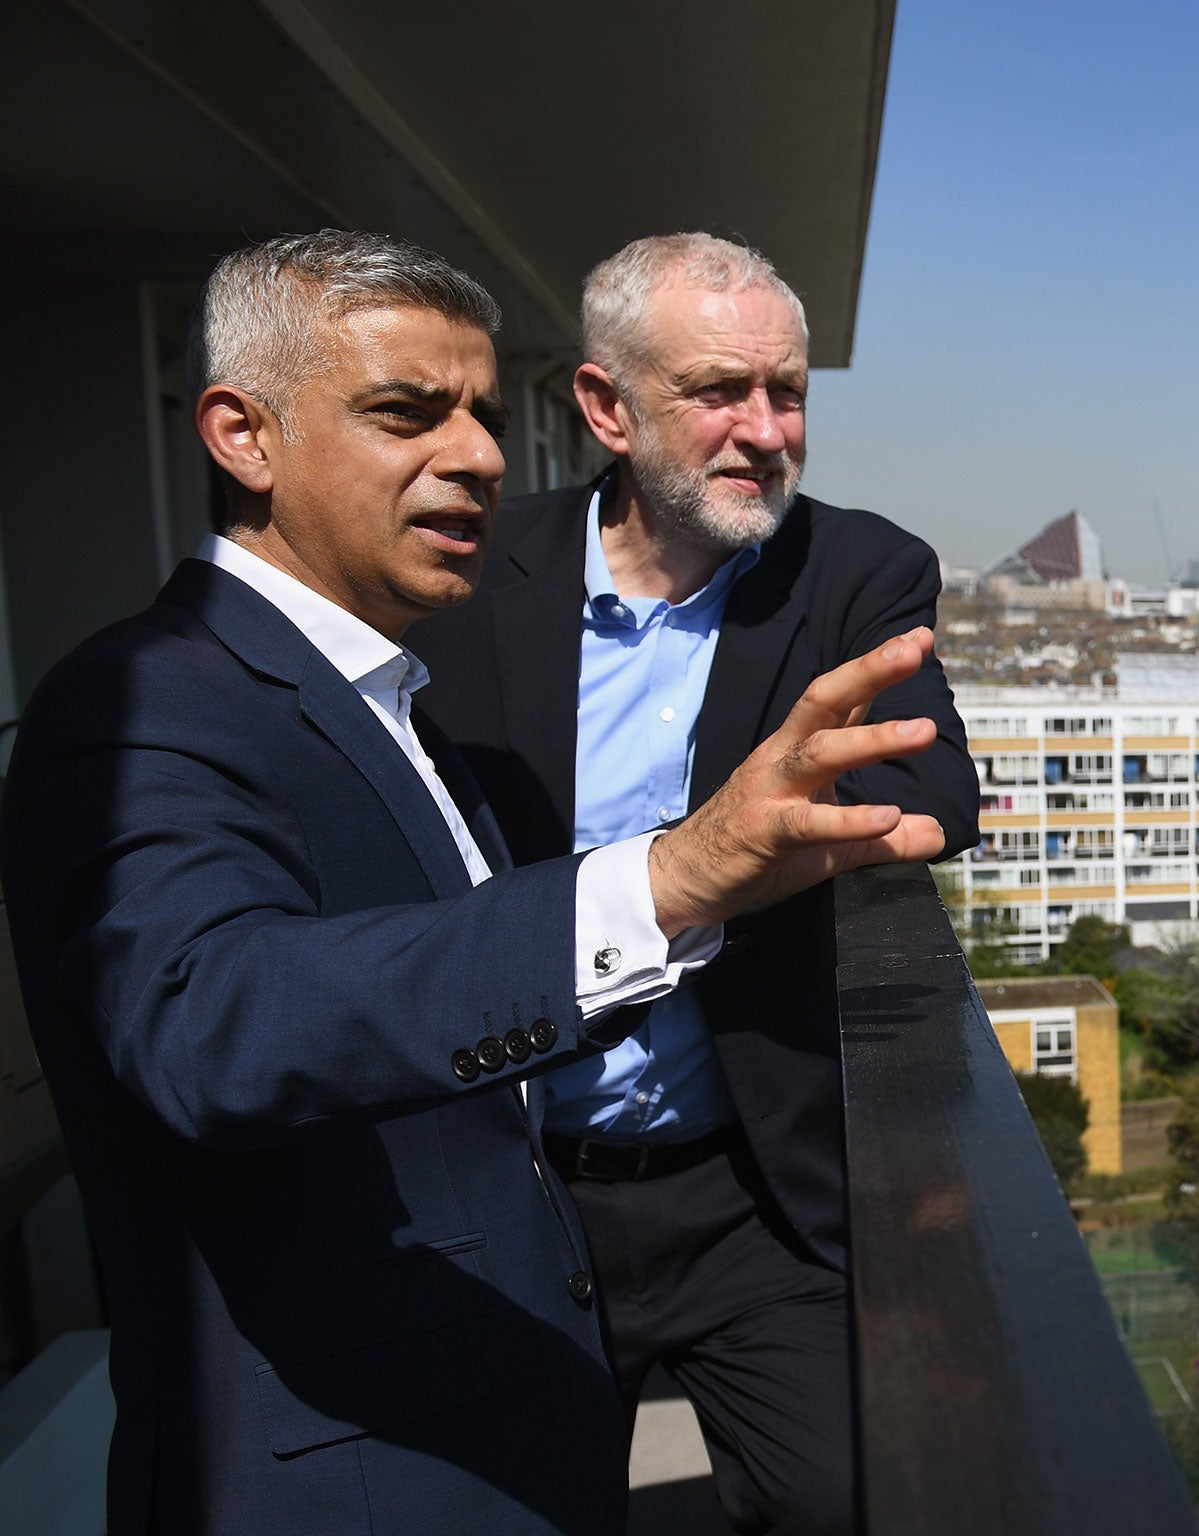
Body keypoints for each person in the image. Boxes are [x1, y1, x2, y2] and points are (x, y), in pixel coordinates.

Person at [0, 229, 947, 1536]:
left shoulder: (382, 688)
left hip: (567, 1326)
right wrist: (669, 877)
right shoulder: (136, 704)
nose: (481, 457)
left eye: (484, 417)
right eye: (405, 412)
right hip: (357, 1458)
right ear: (243, 436)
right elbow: (207, 1018)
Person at [409, 232, 978, 1534]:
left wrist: (760, 839)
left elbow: (942, 793)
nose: (766, 429)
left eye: (789, 394)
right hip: (514, 1183)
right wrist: (667, 868)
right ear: (607, 406)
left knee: (853, 1499)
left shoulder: (854, 571)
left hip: (748, 1189)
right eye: (722, 391)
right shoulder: (476, 570)